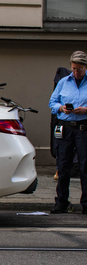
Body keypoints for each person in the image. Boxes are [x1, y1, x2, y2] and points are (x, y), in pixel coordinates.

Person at [48, 50, 87, 214]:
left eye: (79, 69)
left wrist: (85, 110)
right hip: (65, 127)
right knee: (63, 165)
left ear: (85, 67)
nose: (75, 72)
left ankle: (86, 203)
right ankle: (61, 202)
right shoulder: (64, 81)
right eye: (73, 68)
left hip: (83, 128)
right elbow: (52, 101)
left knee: (85, 167)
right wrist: (61, 108)